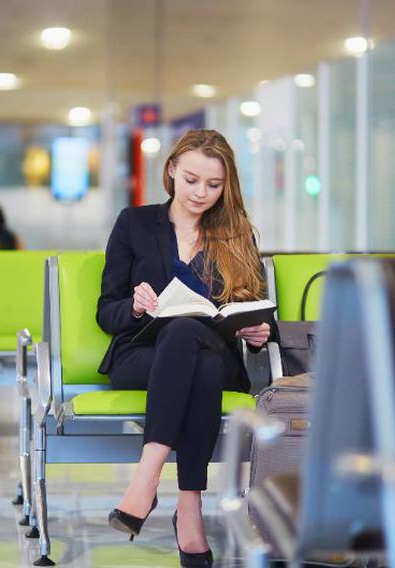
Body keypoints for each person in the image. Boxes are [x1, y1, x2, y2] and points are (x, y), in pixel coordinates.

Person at [98, 129, 271, 567]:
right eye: (192, 179)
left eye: (214, 185)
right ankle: (189, 505)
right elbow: (107, 310)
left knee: (193, 344)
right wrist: (135, 307)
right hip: (142, 356)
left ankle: (147, 477)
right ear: (172, 168)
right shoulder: (134, 224)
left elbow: (255, 309)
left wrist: (257, 334)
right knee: (190, 352)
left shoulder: (236, 233)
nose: (201, 193)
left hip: (214, 353)